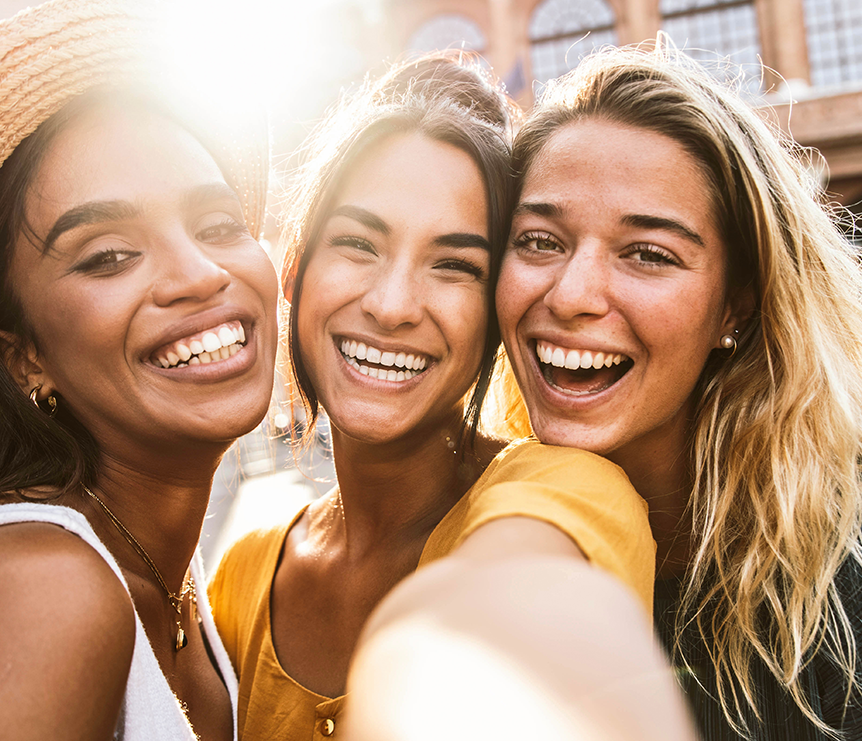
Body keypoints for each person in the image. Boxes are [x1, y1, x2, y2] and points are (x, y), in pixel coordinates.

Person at [209, 54, 693, 741]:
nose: (394, 304)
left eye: (454, 265)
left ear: (495, 314)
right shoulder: (240, 573)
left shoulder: (569, 491)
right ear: (295, 270)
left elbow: (510, 631)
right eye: (357, 243)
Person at [491, 42, 862, 739]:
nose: (571, 294)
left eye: (649, 254)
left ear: (737, 306)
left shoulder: (842, 586)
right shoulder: (481, 522)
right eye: (540, 240)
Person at [0, 1, 278, 739]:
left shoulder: (180, 586)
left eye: (219, 225)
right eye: (109, 256)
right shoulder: (46, 589)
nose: (199, 273)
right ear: (22, 351)